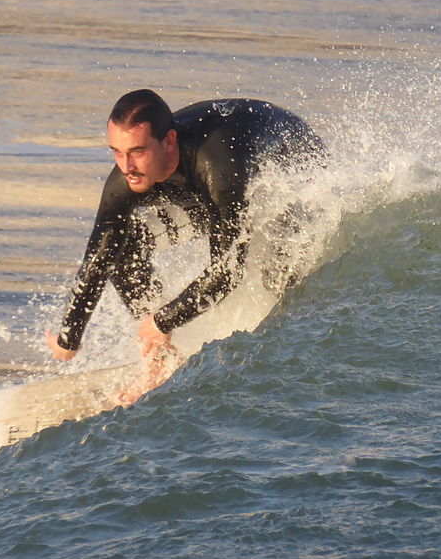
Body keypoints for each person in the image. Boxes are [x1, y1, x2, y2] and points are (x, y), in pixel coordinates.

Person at [46, 89, 324, 364]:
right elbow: (99, 257)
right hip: (214, 185)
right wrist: (69, 339)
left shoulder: (220, 168)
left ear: (169, 141)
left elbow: (227, 272)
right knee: (124, 244)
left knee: (278, 276)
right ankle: (160, 358)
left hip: (291, 165)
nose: (126, 166)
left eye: (137, 151)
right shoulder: (128, 177)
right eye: (117, 152)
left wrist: (162, 320)